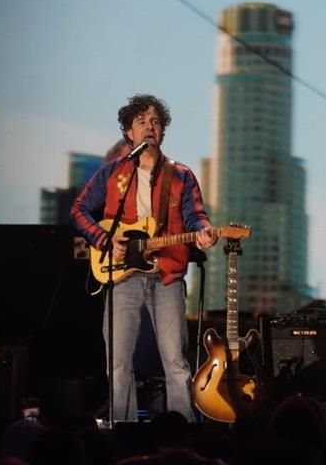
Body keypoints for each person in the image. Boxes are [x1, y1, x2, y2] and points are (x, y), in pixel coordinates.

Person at [71, 94, 218, 421]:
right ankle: (123, 431)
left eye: (156, 122)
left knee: (175, 362)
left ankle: (182, 430)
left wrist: (204, 231)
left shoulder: (180, 175)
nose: (150, 128)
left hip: (166, 275)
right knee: (119, 362)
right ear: (129, 132)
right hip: (121, 275)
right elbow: (79, 210)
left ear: (163, 131)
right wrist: (104, 239)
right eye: (142, 122)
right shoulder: (112, 174)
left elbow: (195, 215)